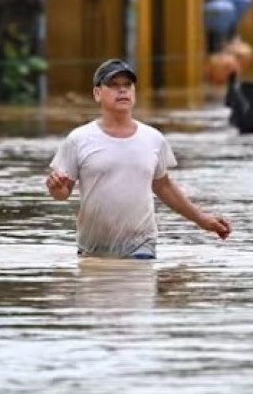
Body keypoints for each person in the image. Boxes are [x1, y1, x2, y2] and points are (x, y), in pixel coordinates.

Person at [46, 58, 231, 259]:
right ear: (97, 93)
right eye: (114, 85)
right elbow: (63, 192)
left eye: (127, 85)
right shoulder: (79, 139)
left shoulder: (153, 139)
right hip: (93, 248)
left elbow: (163, 186)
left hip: (141, 245)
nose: (122, 90)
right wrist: (55, 187)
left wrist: (202, 220)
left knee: (139, 280)